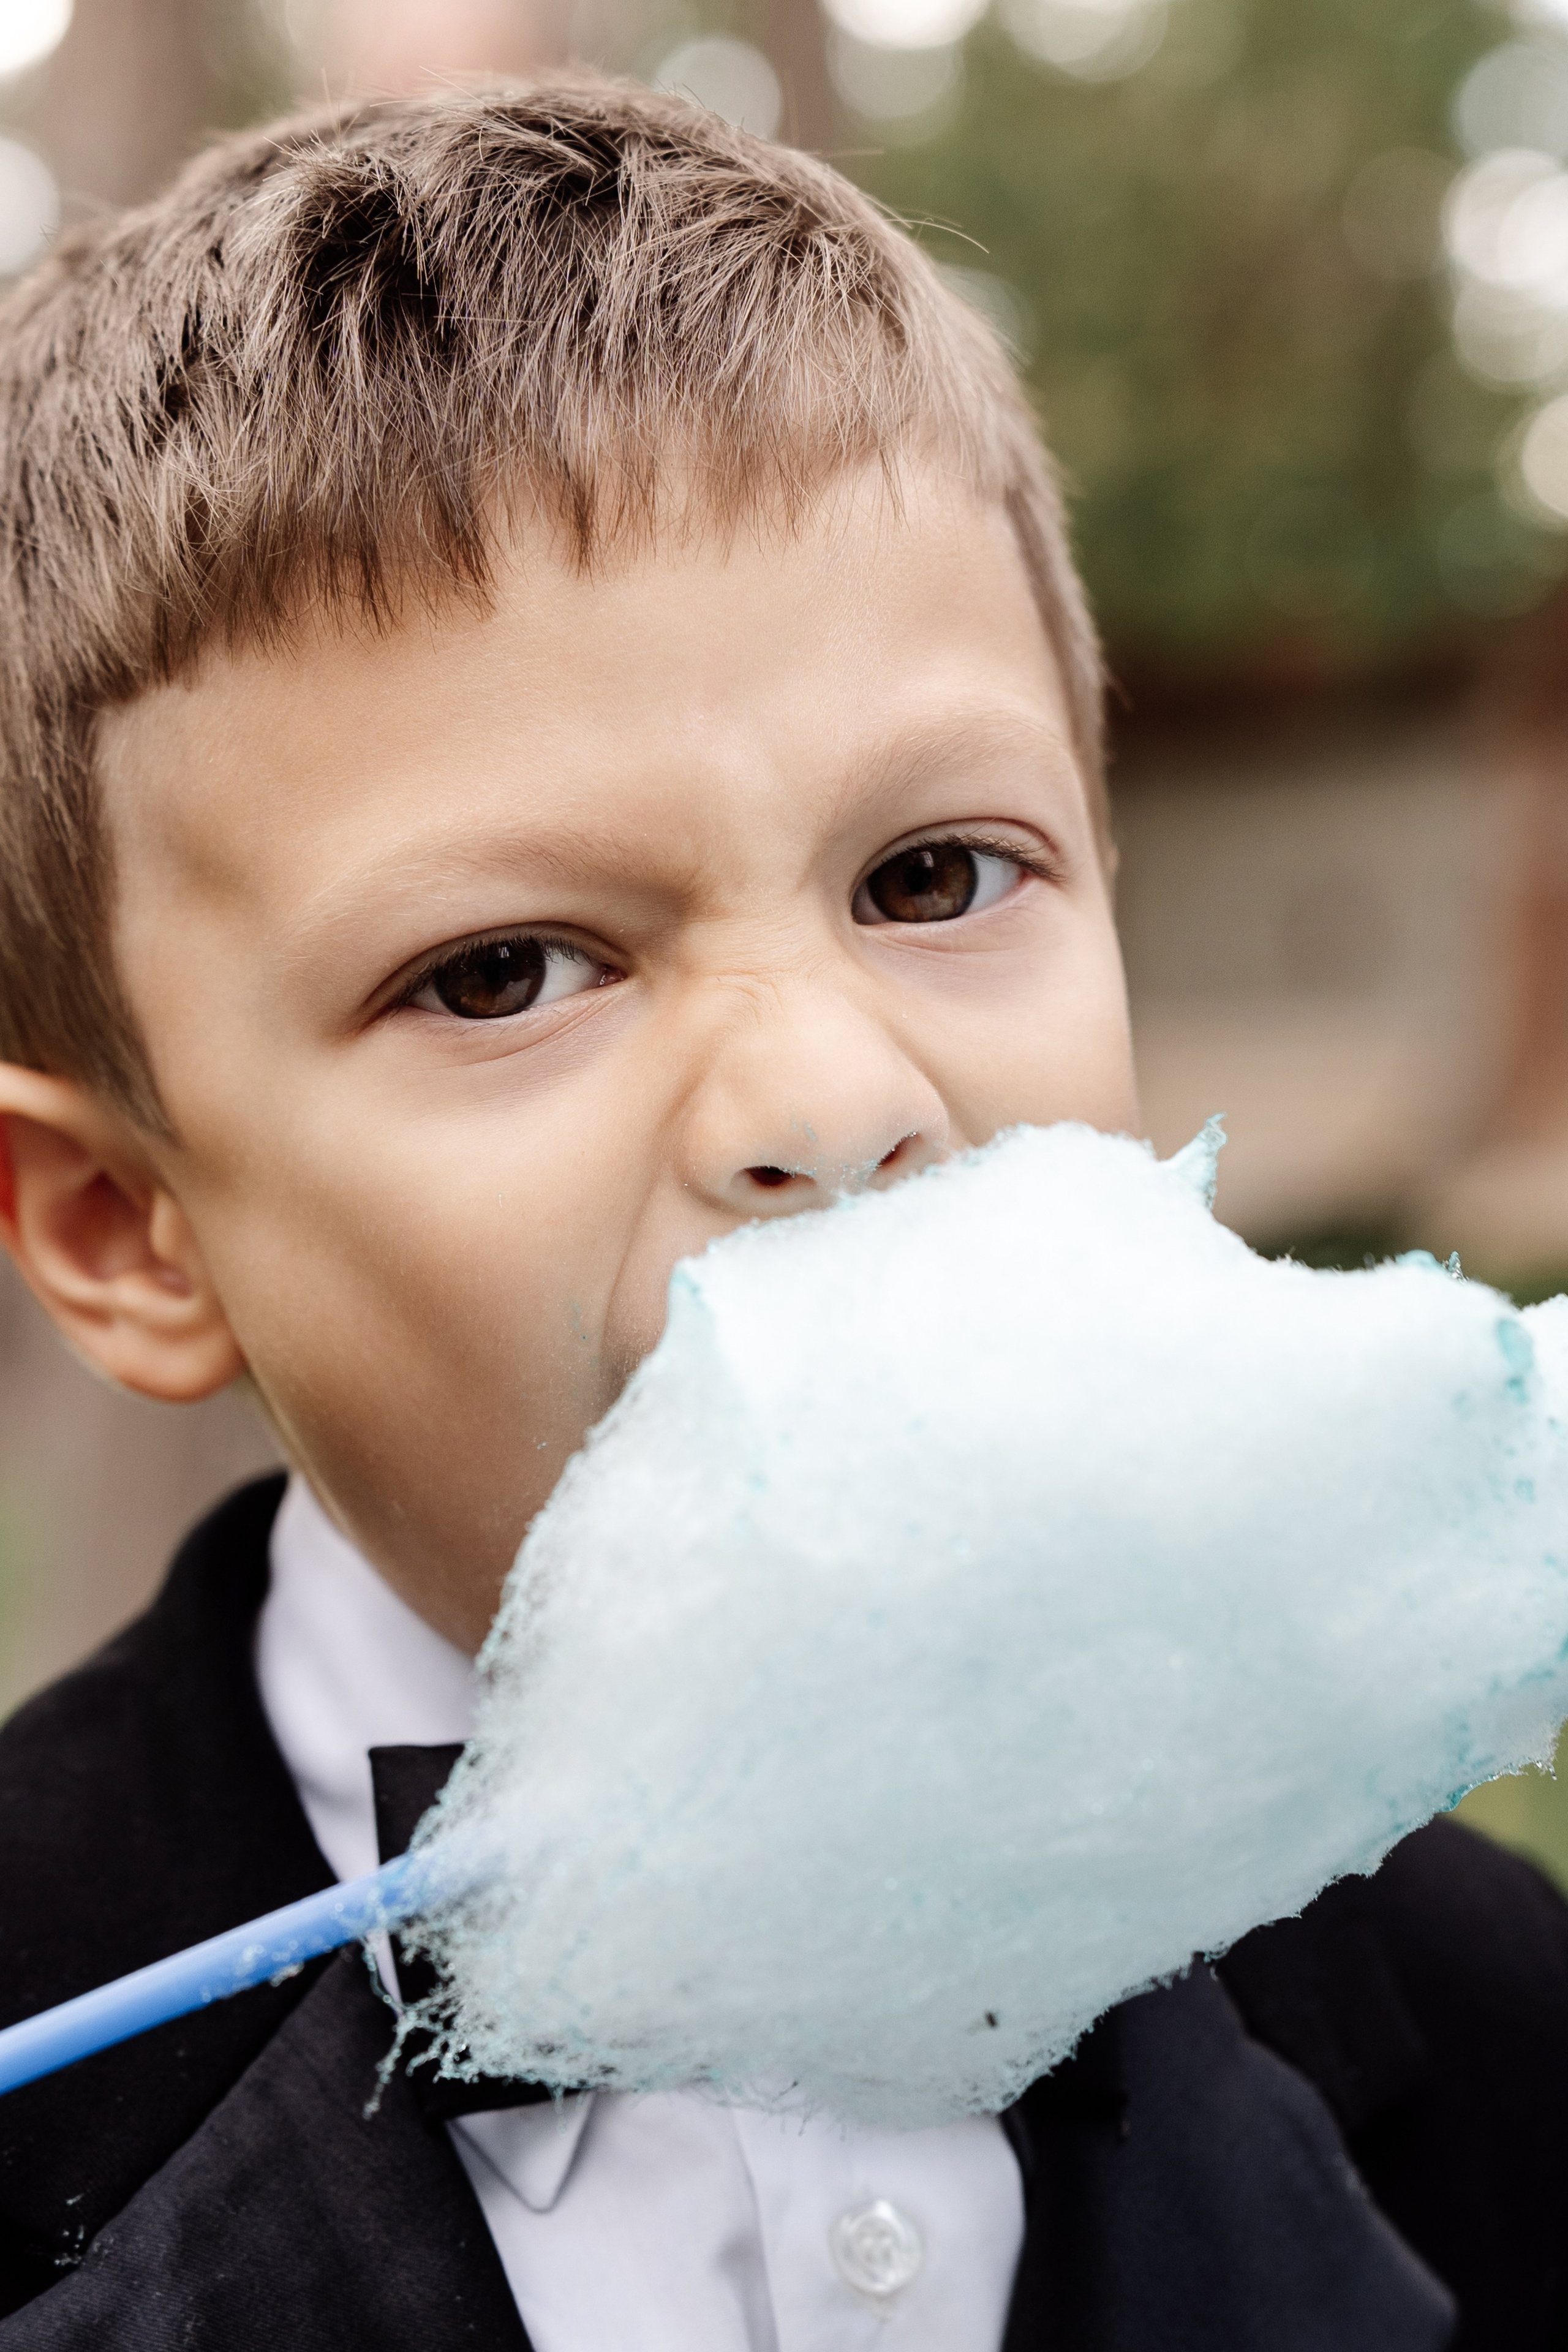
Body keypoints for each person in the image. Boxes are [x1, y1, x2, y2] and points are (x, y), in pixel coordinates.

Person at [0, 75, 1558, 2352]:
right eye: (503, 973)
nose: (834, 1102)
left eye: (934, 876)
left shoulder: (1493, 2024)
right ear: (128, 1228)